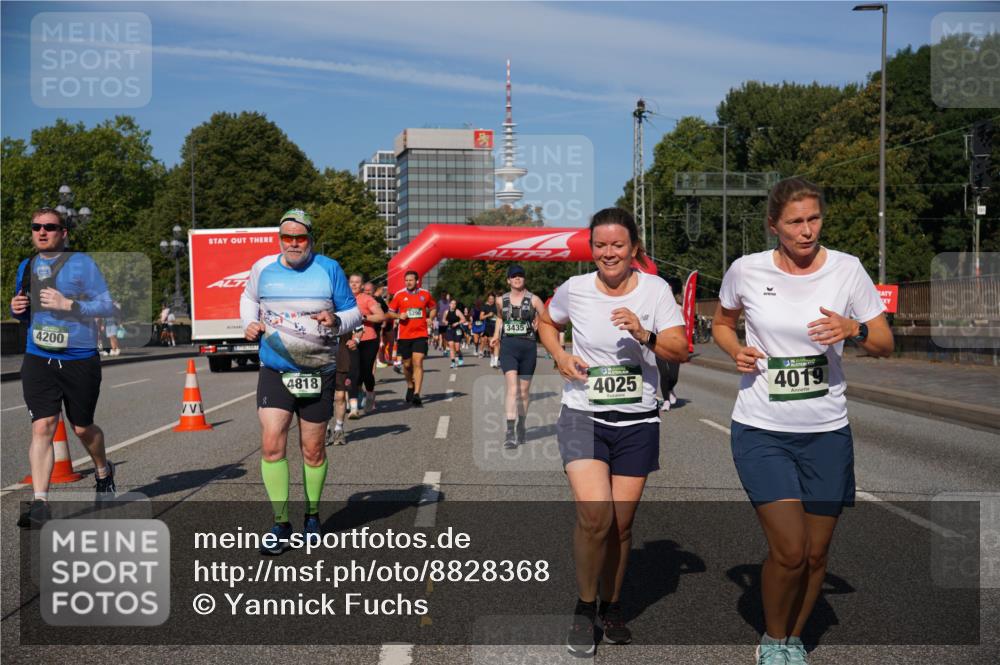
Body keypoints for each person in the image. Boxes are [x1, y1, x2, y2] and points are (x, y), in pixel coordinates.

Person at [712, 178, 893, 665]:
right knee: (790, 549)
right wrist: (736, 350)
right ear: (774, 225)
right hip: (761, 427)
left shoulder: (847, 270)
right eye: (795, 221)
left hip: (827, 431)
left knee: (816, 553)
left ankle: (794, 638)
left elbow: (883, 342)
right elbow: (721, 323)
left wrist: (852, 328)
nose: (807, 230)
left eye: (813, 218)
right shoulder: (746, 271)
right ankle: (772, 640)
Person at [538, 208, 688, 656]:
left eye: (617, 245)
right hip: (584, 413)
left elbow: (680, 348)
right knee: (595, 517)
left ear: (634, 249)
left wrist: (644, 333)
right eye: (600, 245)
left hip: (638, 419)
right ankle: (585, 608)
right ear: (592, 248)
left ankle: (613, 605)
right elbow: (547, 322)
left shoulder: (656, 290)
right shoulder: (576, 289)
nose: (608, 253)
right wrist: (560, 357)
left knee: (621, 527)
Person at [241, 209, 360, 554]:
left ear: (310, 238)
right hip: (276, 369)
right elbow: (248, 298)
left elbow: (354, 312)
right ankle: (280, 523)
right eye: (287, 238)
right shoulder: (263, 268)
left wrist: (336, 318)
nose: (293, 244)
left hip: (317, 371)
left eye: (300, 238)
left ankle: (311, 515)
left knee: (313, 450)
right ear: (280, 239)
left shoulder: (329, 269)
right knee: (271, 443)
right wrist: (249, 322)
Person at [11, 207, 119, 528]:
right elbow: (24, 309)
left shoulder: (82, 264)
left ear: (64, 233)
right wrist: (16, 309)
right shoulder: (27, 265)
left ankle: (103, 470)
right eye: (36, 227)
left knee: (82, 427)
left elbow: (106, 304)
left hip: (79, 358)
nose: (42, 232)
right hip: (38, 357)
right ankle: (41, 502)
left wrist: (69, 304)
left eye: (50, 227)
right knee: (42, 426)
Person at [490, 264, 546, 449]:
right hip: (509, 348)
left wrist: (539, 322)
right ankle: (509, 432)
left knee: (523, 392)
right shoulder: (501, 300)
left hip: (528, 348)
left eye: (520, 276)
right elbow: (500, 318)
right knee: (512, 388)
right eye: (514, 276)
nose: (517, 279)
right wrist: (496, 335)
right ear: (508, 280)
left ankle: (522, 424)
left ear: (524, 279)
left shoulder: (534, 300)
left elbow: (546, 319)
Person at [387, 270, 436, 407]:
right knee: (407, 365)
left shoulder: (425, 294)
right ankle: (410, 385)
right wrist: (398, 316)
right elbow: (390, 312)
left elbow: (433, 307)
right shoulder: (399, 295)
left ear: (417, 281)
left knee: (418, 362)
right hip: (404, 335)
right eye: (406, 280)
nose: (408, 282)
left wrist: (430, 318)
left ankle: (417, 394)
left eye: (411, 280)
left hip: (420, 334)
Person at [346, 274, 384, 417]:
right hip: (350, 341)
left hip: (368, 340)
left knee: (366, 372)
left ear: (362, 285)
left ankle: (370, 394)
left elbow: (380, 316)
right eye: (352, 282)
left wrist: (363, 317)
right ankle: (354, 408)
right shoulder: (343, 298)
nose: (354, 285)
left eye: (357, 282)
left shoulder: (367, 299)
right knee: (352, 373)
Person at [327, 332, 353, 447]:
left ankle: (339, 429)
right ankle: (325, 429)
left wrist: (356, 340)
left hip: (341, 361)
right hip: (321, 361)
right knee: (323, 397)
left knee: (340, 396)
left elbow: (358, 329)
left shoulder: (345, 314)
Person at [443, 298, 467, 369]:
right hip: (450, 329)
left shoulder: (457, 311)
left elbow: (464, 319)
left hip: (457, 330)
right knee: (451, 345)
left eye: (454, 304)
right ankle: (453, 362)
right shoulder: (446, 312)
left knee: (457, 348)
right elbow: (443, 319)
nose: (453, 305)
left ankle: (460, 356)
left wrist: (457, 323)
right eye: (452, 303)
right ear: (449, 304)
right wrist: (445, 322)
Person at [481, 292, 500, 367]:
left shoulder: (497, 306)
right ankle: (492, 357)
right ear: (488, 299)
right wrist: (488, 315)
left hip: (497, 326)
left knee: (497, 343)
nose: (491, 300)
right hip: (489, 327)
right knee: (491, 345)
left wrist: (496, 315)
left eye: (492, 299)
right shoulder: (485, 307)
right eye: (490, 299)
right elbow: (481, 317)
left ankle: (495, 361)